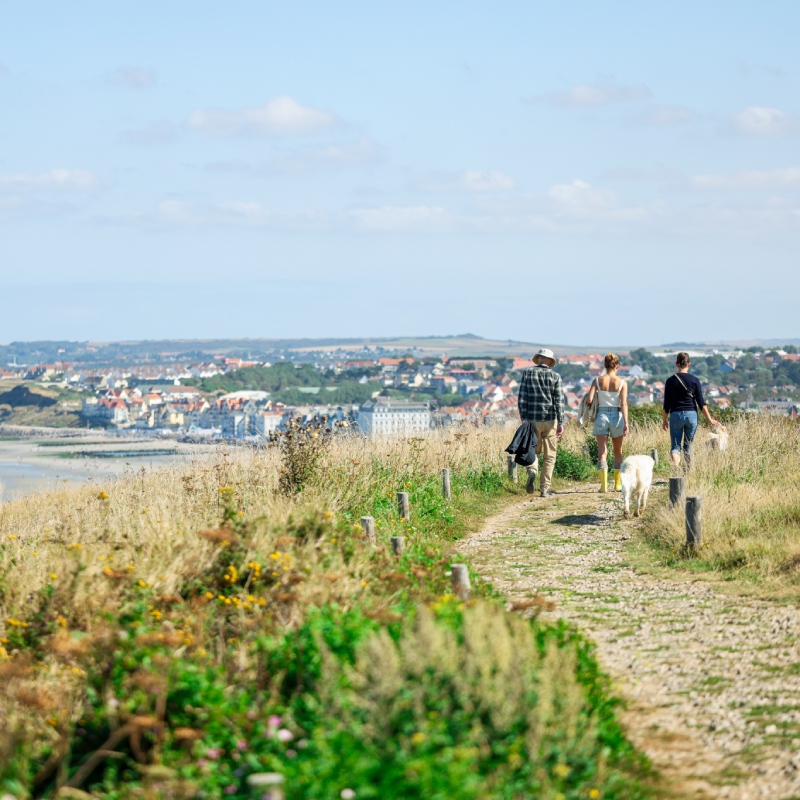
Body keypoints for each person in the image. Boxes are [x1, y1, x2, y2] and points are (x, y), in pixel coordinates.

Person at [517, 347, 564, 497]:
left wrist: (524, 417)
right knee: (550, 456)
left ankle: (532, 470)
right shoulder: (555, 376)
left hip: (532, 419)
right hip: (550, 420)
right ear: (550, 361)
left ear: (538, 359)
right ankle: (544, 489)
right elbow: (559, 401)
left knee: (533, 451)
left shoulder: (527, 373)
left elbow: (522, 397)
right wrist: (561, 422)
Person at [662, 352, 721, 469]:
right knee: (688, 446)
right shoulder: (695, 380)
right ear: (689, 364)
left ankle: (676, 467)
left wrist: (664, 420)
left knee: (675, 447)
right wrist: (710, 419)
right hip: (691, 415)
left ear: (676, 364)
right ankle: (688, 471)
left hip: (675, 414)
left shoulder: (670, 381)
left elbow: (666, 403)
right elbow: (701, 403)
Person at [585, 353, 629, 492]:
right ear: (617, 366)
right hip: (617, 416)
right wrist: (626, 423)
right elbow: (624, 403)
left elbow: (589, 399)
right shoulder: (622, 383)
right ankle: (617, 484)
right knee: (618, 451)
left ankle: (603, 486)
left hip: (601, 415)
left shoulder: (597, 380)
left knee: (602, 452)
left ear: (604, 365)